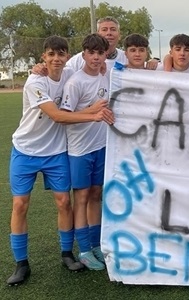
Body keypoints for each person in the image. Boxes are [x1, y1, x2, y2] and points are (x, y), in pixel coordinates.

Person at [7, 35, 113, 285]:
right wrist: (94, 114)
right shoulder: (35, 81)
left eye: (61, 54)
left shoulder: (68, 73)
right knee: (20, 205)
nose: (56, 59)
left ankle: (67, 253)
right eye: (51, 55)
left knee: (65, 202)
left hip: (55, 151)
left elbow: (93, 61)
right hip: (25, 150)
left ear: (67, 57)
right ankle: (21, 263)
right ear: (43, 56)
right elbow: (58, 116)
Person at [61, 33, 113, 271]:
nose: (95, 57)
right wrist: (91, 112)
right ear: (83, 54)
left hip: (100, 147)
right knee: (80, 198)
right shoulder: (75, 81)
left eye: (99, 53)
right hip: (80, 150)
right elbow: (64, 118)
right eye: (91, 53)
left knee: (96, 195)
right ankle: (82, 250)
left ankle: (95, 245)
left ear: (105, 55)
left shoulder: (106, 76)